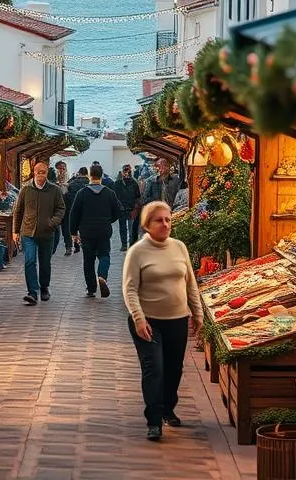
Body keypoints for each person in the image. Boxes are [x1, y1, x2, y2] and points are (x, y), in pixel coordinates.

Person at [122, 201, 203, 442]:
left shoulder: (179, 247)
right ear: (147, 225)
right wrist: (138, 319)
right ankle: (154, 420)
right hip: (148, 322)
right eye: (159, 220)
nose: (165, 224)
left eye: (168, 219)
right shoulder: (137, 251)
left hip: (177, 319)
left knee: (173, 369)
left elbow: (190, 283)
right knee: (154, 369)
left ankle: (168, 407)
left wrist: (197, 313)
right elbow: (129, 289)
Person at [12, 161, 65, 306]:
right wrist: (15, 231)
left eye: (44, 172)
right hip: (28, 231)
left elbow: (61, 209)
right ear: (34, 173)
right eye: (38, 172)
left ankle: (44, 287)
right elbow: (18, 210)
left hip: (47, 233)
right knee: (30, 261)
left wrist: (52, 222)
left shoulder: (54, 190)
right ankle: (32, 292)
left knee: (45, 262)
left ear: (47, 173)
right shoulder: (26, 189)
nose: (41, 175)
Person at [69, 165, 122, 299]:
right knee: (104, 255)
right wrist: (108, 220)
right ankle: (102, 276)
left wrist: (73, 232)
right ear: (101, 176)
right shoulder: (109, 193)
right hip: (104, 230)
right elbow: (118, 211)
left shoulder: (82, 193)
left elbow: (74, 214)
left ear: (90, 176)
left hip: (86, 231)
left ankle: (91, 289)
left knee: (88, 260)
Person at [113, 163, 143, 251]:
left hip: (131, 208)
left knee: (130, 228)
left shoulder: (133, 182)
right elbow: (114, 196)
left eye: (127, 171)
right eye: (125, 171)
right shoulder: (118, 183)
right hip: (123, 209)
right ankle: (125, 244)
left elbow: (137, 196)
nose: (126, 173)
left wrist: (137, 207)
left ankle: (130, 244)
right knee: (124, 228)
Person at [63, 167, 90, 256]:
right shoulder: (89, 184)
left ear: (79, 173)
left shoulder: (72, 183)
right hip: (84, 210)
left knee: (69, 228)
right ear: (87, 174)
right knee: (82, 228)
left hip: (70, 208)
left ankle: (69, 247)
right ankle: (82, 245)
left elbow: (65, 192)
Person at [52, 161, 70, 256]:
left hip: (66, 205)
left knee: (66, 228)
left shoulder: (69, 178)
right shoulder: (53, 177)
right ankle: (53, 248)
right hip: (56, 206)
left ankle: (68, 247)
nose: (62, 170)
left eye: (63, 168)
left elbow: (68, 190)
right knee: (56, 228)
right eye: (60, 168)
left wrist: (65, 184)